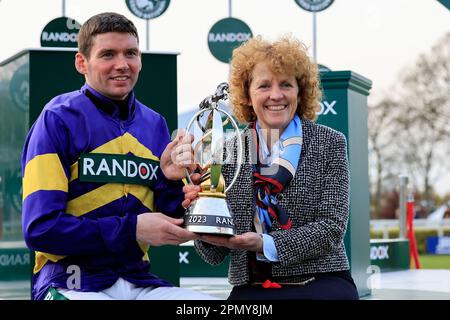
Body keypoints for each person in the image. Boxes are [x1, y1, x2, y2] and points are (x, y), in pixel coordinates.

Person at [21, 12, 216, 300]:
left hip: (138, 279)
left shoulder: (155, 123)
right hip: (70, 280)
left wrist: (171, 184)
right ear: (81, 62)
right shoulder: (57, 118)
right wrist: (132, 228)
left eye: (130, 53)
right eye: (108, 54)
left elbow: (167, 215)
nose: (122, 64)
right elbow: (40, 229)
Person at [183, 35, 359, 300]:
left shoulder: (329, 143)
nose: (276, 95)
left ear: (300, 92)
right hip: (252, 285)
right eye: (264, 85)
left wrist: (267, 244)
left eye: (286, 84)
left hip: (320, 280)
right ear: (247, 94)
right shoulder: (225, 152)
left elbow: (331, 228)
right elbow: (213, 256)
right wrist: (201, 213)